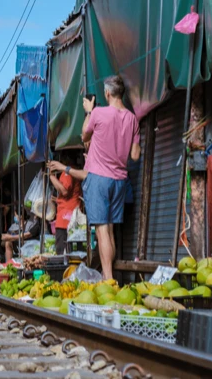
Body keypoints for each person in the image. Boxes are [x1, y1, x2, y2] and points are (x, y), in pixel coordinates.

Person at [81, 75, 140, 279]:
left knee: (101, 230)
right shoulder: (132, 119)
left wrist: (89, 111)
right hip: (120, 180)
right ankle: (111, 278)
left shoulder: (98, 113)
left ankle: (108, 280)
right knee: (111, 230)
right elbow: (134, 155)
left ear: (107, 93)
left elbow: (84, 136)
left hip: (98, 178)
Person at [49, 153, 82, 255]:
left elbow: (64, 191)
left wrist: (50, 176)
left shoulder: (67, 172)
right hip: (71, 216)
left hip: (65, 219)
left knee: (62, 252)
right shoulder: (75, 170)